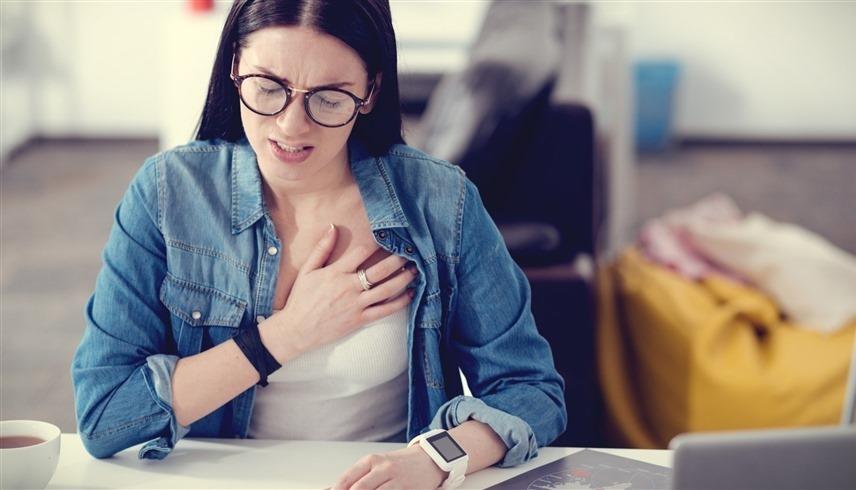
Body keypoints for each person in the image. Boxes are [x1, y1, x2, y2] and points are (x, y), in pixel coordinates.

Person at [71, 0, 566, 488]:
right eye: (268, 87)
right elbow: (105, 414)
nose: (292, 126)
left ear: (369, 91)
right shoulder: (168, 193)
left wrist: (436, 460)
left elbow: (529, 390)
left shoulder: (439, 201)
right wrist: (285, 336)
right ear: (234, 67)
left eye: (328, 98)